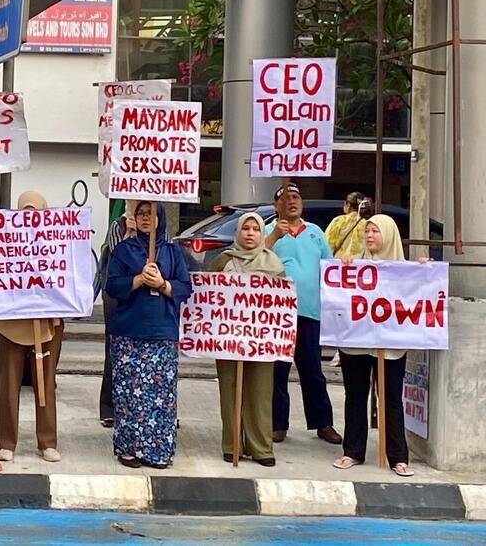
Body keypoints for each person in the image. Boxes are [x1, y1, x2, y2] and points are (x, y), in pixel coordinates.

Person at [334, 214, 423, 477]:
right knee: (355, 395)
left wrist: (424, 271)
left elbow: (420, 290)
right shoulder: (354, 265)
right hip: (356, 342)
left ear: (390, 235)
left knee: (392, 398)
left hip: (391, 344)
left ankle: (398, 457)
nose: (369, 235)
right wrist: (343, 264)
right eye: (367, 231)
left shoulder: (404, 269)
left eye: (375, 231)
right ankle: (352, 451)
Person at [106, 201, 192, 469]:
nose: (145, 218)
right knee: (129, 394)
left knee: (160, 396)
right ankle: (128, 448)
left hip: (162, 331)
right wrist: (139, 280)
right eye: (141, 214)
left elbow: (185, 287)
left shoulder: (172, 252)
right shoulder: (124, 250)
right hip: (129, 331)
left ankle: (157, 450)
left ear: (160, 219)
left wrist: (162, 284)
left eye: (151, 214)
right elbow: (112, 285)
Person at [265, 183, 342, 445]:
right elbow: (254, 257)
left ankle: (323, 422)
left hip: (309, 311)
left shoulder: (315, 232)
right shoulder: (268, 231)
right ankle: (277, 423)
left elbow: (329, 267)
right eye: (286, 198)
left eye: (296, 197)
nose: (292, 201)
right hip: (278, 314)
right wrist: (274, 236)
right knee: (277, 371)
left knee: (312, 370)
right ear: (276, 205)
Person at [210, 212, 285, 467]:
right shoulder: (223, 261)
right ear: (237, 233)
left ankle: (261, 447)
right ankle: (232, 445)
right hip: (227, 339)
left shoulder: (273, 263)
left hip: (262, 340)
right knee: (230, 389)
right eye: (246, 228)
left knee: (261, 392)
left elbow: (282, 302)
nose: (250, 233)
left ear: (262, 233)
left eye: (255, 229)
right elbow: (209, 297)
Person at [0, 191, 63, 463]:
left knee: (46, 383)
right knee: (7, 385)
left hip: (46, 322)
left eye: (36, 213)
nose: (30, 218)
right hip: (11, 323)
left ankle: (47, 442)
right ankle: (6, 442)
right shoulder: (4, 242)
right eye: (25, 213)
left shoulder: (57, 242)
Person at [98, 205, 136, 428]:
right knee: (114, 351)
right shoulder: (118, 226)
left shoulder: (157, 225)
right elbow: (119, 258)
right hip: (118, 298)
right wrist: (129, 233)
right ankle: (109, 408)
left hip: (144, 301)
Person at [325, 192, 370, 260]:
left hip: (338, 264)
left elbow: (327, 246)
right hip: (359, 264)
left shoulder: (338, 221)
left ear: (348, 205)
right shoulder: (367, 224)